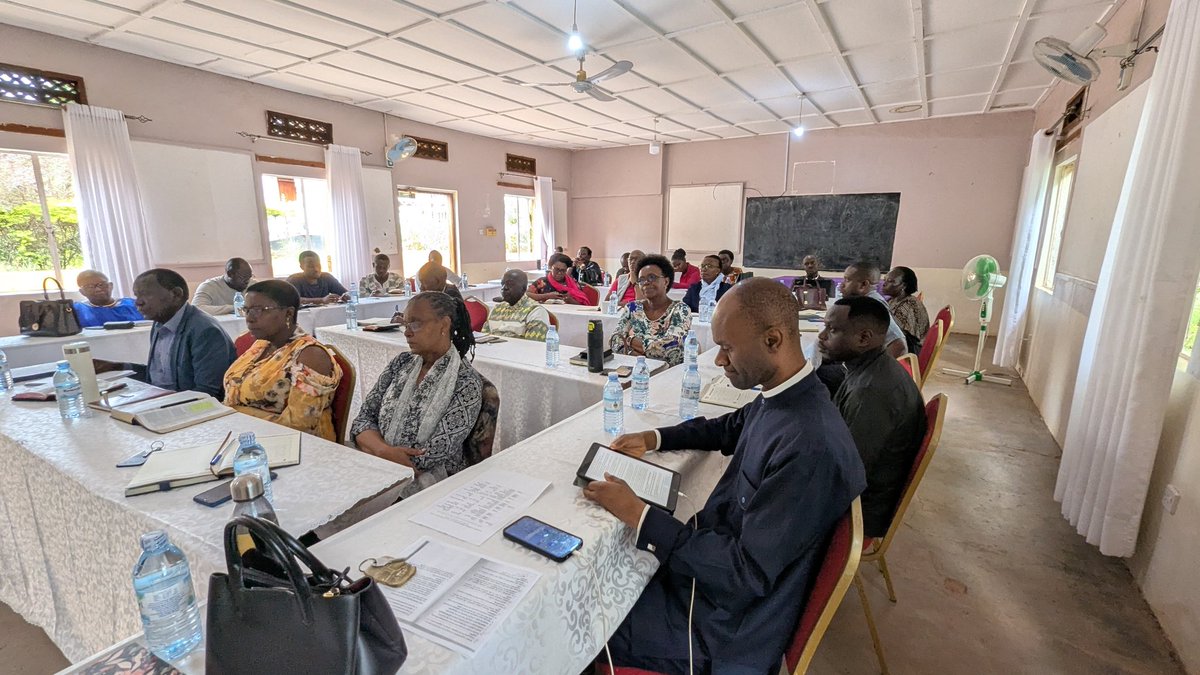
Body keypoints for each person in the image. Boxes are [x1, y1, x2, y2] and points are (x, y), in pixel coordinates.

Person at [584, 278, 866, 675]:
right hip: (710, 585)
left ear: (773, 340)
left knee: (581, 625)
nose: (719, 360)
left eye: (728, 348)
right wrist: (655, 436)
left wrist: (640, 515)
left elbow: (743, 574)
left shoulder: (810, 448)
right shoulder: (788, 394)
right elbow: (730, 426)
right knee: (603, 572)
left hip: (721, 629)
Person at [351, 292, 498, 497]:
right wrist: (383, 450)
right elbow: (362, 419)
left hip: (433, 486)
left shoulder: (465, 382)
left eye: (416, 324)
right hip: (378, 463)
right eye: (405, 324)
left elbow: (430, 456)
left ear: (444, 325)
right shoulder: (401, 363)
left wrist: (373, 446)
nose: (407, 333)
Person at [818, 296, 926, 538]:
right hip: (861, 493)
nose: (822, 336)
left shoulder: (871, 392)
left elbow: (846, 475)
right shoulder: (868, 368)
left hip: (860, 512)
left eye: (832, 330)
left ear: (864, 338)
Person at [223, 280, 343, 441]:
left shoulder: (310, 355)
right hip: (245, 435)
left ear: (288, 313)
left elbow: (299, 427)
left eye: (259, 310)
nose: (249, 318)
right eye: (247, 310)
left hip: (295, 447)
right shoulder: (260, 345)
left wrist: (233, 416)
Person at [95, 269, 235, 399]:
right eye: (137, 295)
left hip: (194, 410)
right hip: (165, 399)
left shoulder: (205, 331)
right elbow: (159, 378)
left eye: (146, 294)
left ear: (176, 294)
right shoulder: (160, 323)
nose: (138, 302)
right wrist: (115, 366)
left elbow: (207, 393)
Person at [610, 254, 691, 367]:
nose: (646, 283)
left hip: (667, 373)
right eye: (641, 280)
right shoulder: (632, 307)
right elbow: (615, 340)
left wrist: (629, 340)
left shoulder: (680, 309)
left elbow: (672, 349)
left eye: (652, 277)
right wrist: (641, 356)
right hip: (634, 370)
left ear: (666, 282)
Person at [841, 262, 908, 358]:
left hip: (874, 367)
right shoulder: (866, 300)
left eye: (847, 280)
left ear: (863, 285)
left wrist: (877, 370)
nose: (842, 285)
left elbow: (899, 345)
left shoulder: (871, 305)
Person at [483, 269, 550, 341]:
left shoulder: (536, 312)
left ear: (523, 288)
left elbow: (533, 347)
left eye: (510, 284)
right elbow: (483, 338)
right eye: (502, 284)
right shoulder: (496, 309)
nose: (504, 288)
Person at [391, 262, 462, 323]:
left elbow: (433, 323)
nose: (421, 287)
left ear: (437, 281)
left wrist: (406, 321)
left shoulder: (451, 296)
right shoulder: (432, 295)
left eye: (423, 282)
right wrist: (405, 316)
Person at [883, 266, 931, 353]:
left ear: (903, 286)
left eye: (890, 281)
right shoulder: (895, 299)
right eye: (885, 279)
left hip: (909, 350)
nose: (884, 284)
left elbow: (899, 336)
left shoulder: (907, 306)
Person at [73, 269, 142, 327]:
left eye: (101, 284)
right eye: (90, 286)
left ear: (110, 286)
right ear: (82, 292)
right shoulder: (77, 310)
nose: (98, 289)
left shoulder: (134, 304)